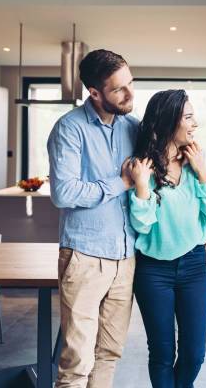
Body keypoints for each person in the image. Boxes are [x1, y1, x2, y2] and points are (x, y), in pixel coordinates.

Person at [47, 49, 138, 388]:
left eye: (131, 83)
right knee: (76, 363)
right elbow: (64, 193)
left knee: (110, 353)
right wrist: (121, 183)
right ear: (95, 92)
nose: (130, 95)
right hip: (84, 256)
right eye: (119, 89)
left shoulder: (133, 126)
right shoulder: (69, 129)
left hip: (126, 257)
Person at [128, 89, 206, 388]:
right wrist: (142, 187)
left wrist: (204, 174)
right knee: (162, 353)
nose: (195, 123)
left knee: (195, 353)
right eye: (189, 117)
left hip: (194, 265)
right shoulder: (142, 165)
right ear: (169, 121)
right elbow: (142, 226)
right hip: (153, 271)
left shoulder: (198, 158)